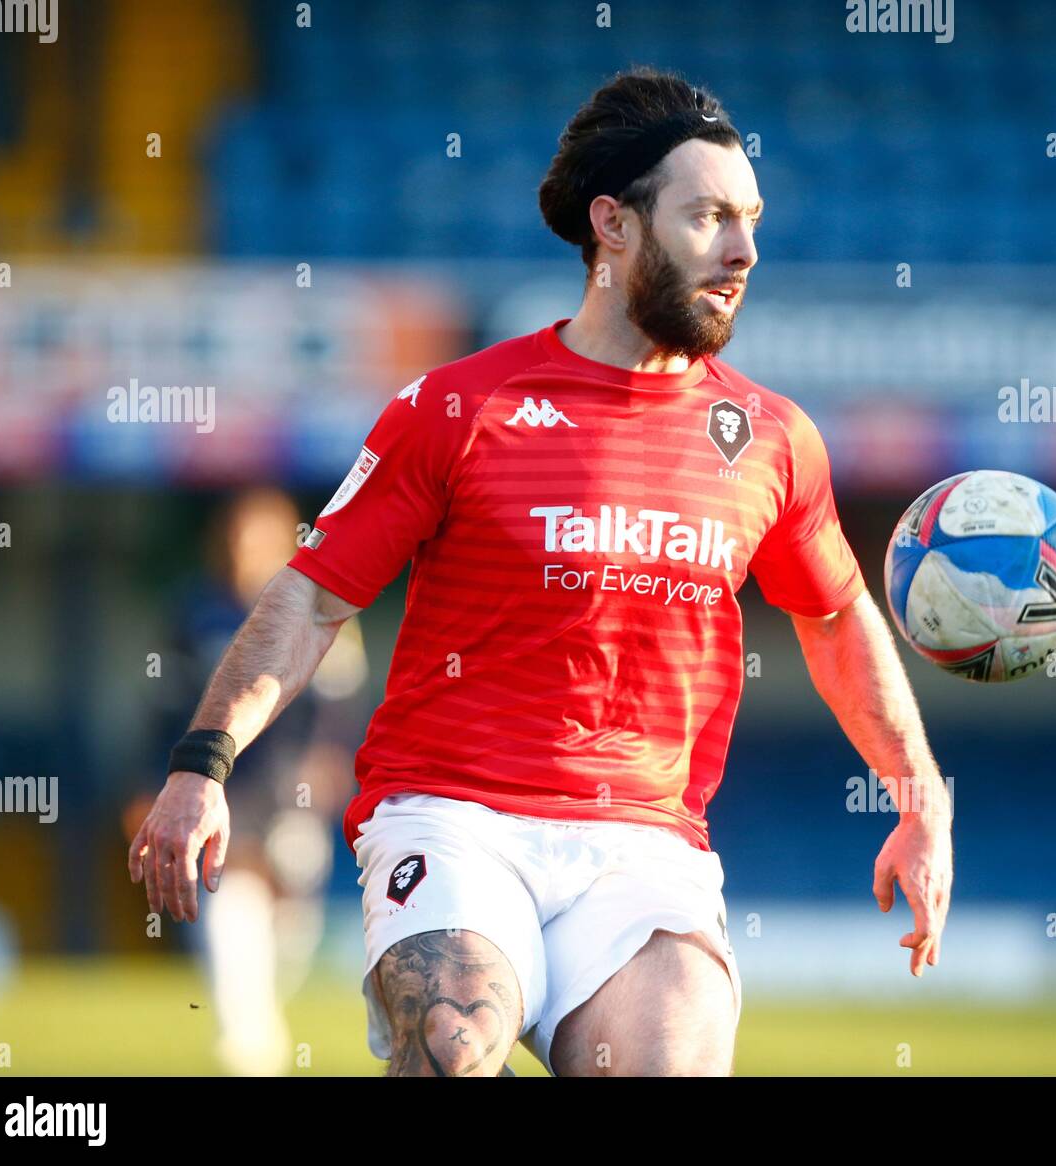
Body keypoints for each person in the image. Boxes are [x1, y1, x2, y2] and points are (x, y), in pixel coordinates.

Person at [128, 67, 953, 1078]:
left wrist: (918, 797)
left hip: (648, 845)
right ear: (612, 224)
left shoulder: (773, 438)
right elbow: (312, 596)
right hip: (455, 815)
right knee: (450, 1046)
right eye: (706, 217)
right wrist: (201, 763)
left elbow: (835, 617)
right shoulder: (457, 408)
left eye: (750, 218)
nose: (742, 249)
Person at [131, 489, 368, 1074]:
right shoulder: (194, 613)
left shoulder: (320, 604)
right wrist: (150, 781)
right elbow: (161, 706)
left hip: (291, 785)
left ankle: (257, 1013)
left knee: (290, 917)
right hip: (220, 781)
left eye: (258, 538)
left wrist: (335, 758)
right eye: (236, 538)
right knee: (228, 892)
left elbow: (344, 701)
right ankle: (246, 1037)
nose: (244, 551)